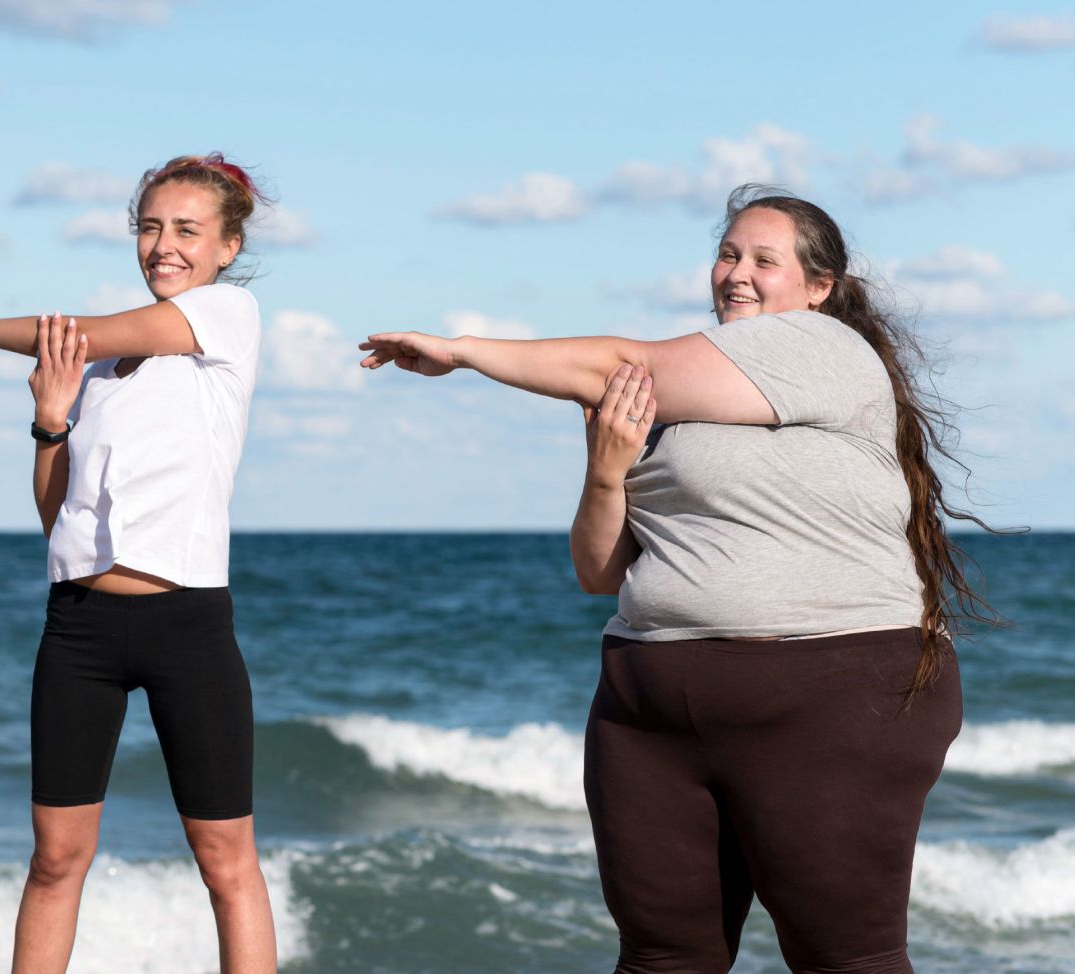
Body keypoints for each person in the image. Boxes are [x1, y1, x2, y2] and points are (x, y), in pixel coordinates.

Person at [359, 186, 991, 974]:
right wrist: (606, 471)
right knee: (661, 959)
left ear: (819, 288)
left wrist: (461, 351)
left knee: (845, 960)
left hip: (828, 702)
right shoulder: (662, 404)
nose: (737, 273)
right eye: (728, 254)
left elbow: (621, 362)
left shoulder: (821, 348)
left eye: (765, 260)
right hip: (650, 713)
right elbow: (599, 572)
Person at [0, 154, 278, 974]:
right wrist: (49, 422)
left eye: (187, 230)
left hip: (185, 622)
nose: (163, 245)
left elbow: (75, 332)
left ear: (227, 246)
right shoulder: (99, 370)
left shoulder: (228, 316)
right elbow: (58, 519)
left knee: (226, 862)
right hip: (79, 627)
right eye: (149, 227)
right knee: (55, 859)